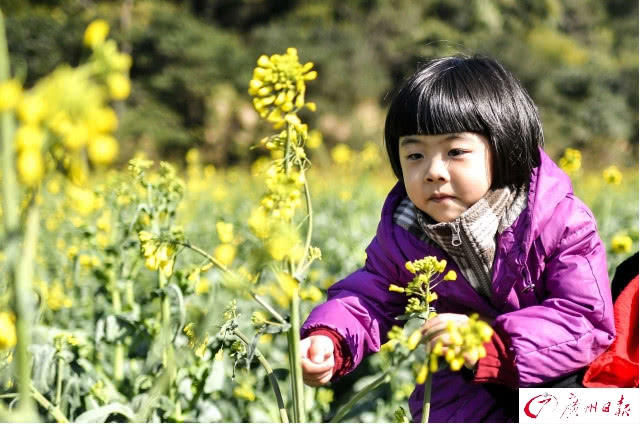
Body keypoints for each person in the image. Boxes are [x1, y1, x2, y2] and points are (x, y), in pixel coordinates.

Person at [299, 55, 616, 422]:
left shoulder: (559, 220)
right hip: (462, 395)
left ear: (505, 146)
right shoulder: (406, 232)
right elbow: (369, 297)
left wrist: (485, 341)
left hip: (559, 387)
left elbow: (585, 321)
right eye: (415, 154)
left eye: (455, 152)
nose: (433, 172)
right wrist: (331, 338)